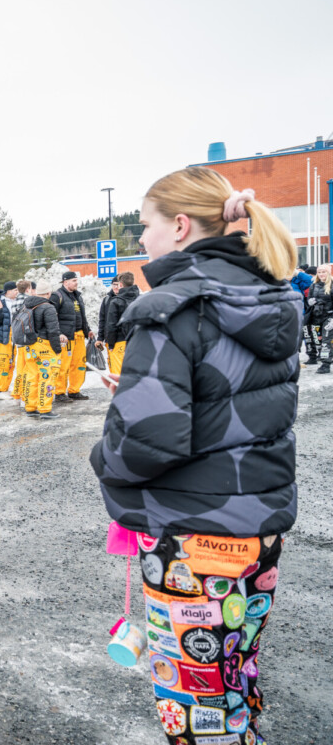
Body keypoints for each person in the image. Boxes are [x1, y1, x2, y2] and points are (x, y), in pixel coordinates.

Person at [91, 166, 300, 745]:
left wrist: (104, 448)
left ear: (180, 226)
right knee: (232, 679)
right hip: (258, 532)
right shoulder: (273, 297)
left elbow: (145, 445)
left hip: (194, 540)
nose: (141, 240)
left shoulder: (171, 308)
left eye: (146, 226)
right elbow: (229, 401)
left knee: (195, 707)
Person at [19, 280, 64, 420]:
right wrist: (57, 349)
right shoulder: (48, 307)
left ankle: (30, 407)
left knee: (32, 376)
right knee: (47, 377)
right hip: (44, 346)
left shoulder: (27, 305)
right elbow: (53, 330)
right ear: (48, 293)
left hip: (30, 345)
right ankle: (45, 409)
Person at [49, 271, 94, 401]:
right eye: (74, 280)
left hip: (79, 335)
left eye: (76, 280)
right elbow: (51, 317)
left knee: (78, 364)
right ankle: (59, 392)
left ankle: (74, 390)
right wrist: (58, 333)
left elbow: (81, 316)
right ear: (65, 282)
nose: (76, 283)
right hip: (66, 337)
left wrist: (88, 330)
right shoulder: (57, 296)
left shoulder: (77, 296)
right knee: (64, 365)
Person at [102, 272, 140, 376]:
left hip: (119, 342)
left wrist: (110, 344)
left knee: (118, 375)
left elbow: (111, 325)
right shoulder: (140, 299)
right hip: (136, 342)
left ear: (121, 285)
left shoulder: (116, 301)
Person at [10, 279, 32, 403]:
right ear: (28, 289)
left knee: (20, 367)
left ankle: (17, 391)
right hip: (26, 338)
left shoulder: (15, 301)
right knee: (27, 367)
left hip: (18, 337)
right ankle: (24, 393)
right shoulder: (27, 301)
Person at [308, 263, 333, 373]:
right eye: (319, 272)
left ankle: (325, 365)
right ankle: (325, 358)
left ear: (328, 272)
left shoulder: (332, 284)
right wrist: (310, 302)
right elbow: (309, 298)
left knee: (326, 342)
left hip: (329, 316)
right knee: (318, 340)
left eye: (324, 272)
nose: (321, 274)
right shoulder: (314, 285)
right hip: (316, 316)